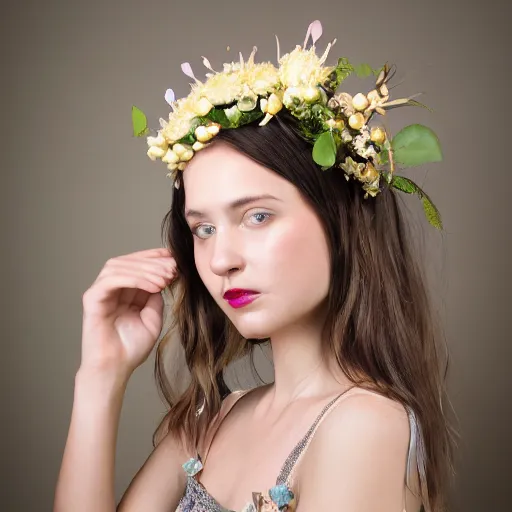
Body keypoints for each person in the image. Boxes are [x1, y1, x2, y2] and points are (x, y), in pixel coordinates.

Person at [54, 20, 455, 512]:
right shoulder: (216, 419)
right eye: (203, 229)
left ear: (340, 221)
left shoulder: (363, 426)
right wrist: (100, 375)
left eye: (257, 216)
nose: (222, 260)